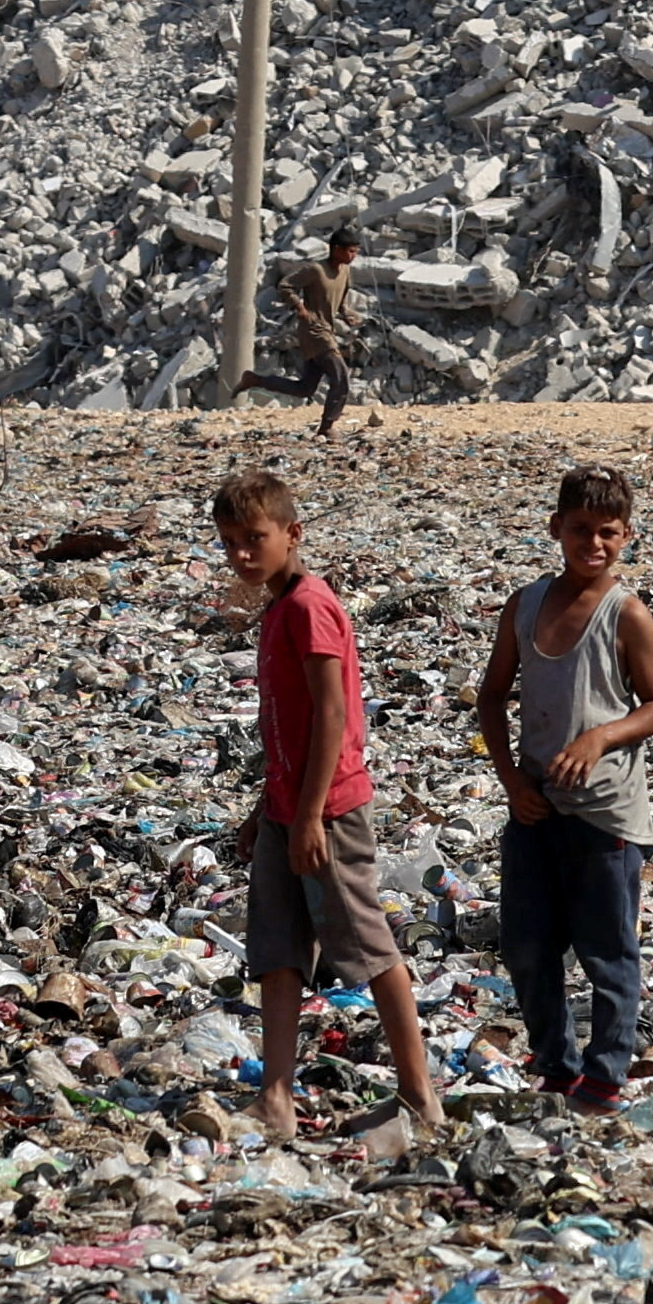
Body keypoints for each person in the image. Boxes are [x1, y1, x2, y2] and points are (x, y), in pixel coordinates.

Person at [212, 465, 439, 1145]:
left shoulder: (310, 605)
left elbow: (333, 713)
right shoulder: (278, 606)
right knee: (278, 949)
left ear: (293, 533)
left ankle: (420, 1097)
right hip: (288, 806)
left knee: (367, 944)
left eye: (254, 539)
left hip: (328, 810)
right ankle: (275, 1098)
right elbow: (287, 726)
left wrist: (309, 815)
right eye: (229, 542)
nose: (241, 554)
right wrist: (265, 809)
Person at [473, 463, 653, 1115]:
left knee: (606, 950)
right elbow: (491, 696)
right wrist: (511, 780)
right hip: (535, 806)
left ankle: (606, 1075)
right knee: (527, 946)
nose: (594, 543)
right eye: (581, 529)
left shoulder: (627, 614)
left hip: (604, 812)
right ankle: (556, 1066)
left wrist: (600, 738)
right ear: (556, 527)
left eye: (608, 532)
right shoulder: (526, 604)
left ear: (627, 536)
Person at [237, 225, 362, 436]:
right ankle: (327, 427)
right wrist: (300, 307)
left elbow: (340, 302)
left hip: (327, 329)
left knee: (305, 388)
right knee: (341, 378)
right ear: (337, 249)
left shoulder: (346, 272)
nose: (353, 256)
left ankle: (256, 380)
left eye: (356, 252)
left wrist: (347, 314)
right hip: (313, 331)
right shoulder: (316, 270)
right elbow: (286, 286)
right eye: (350, 251)